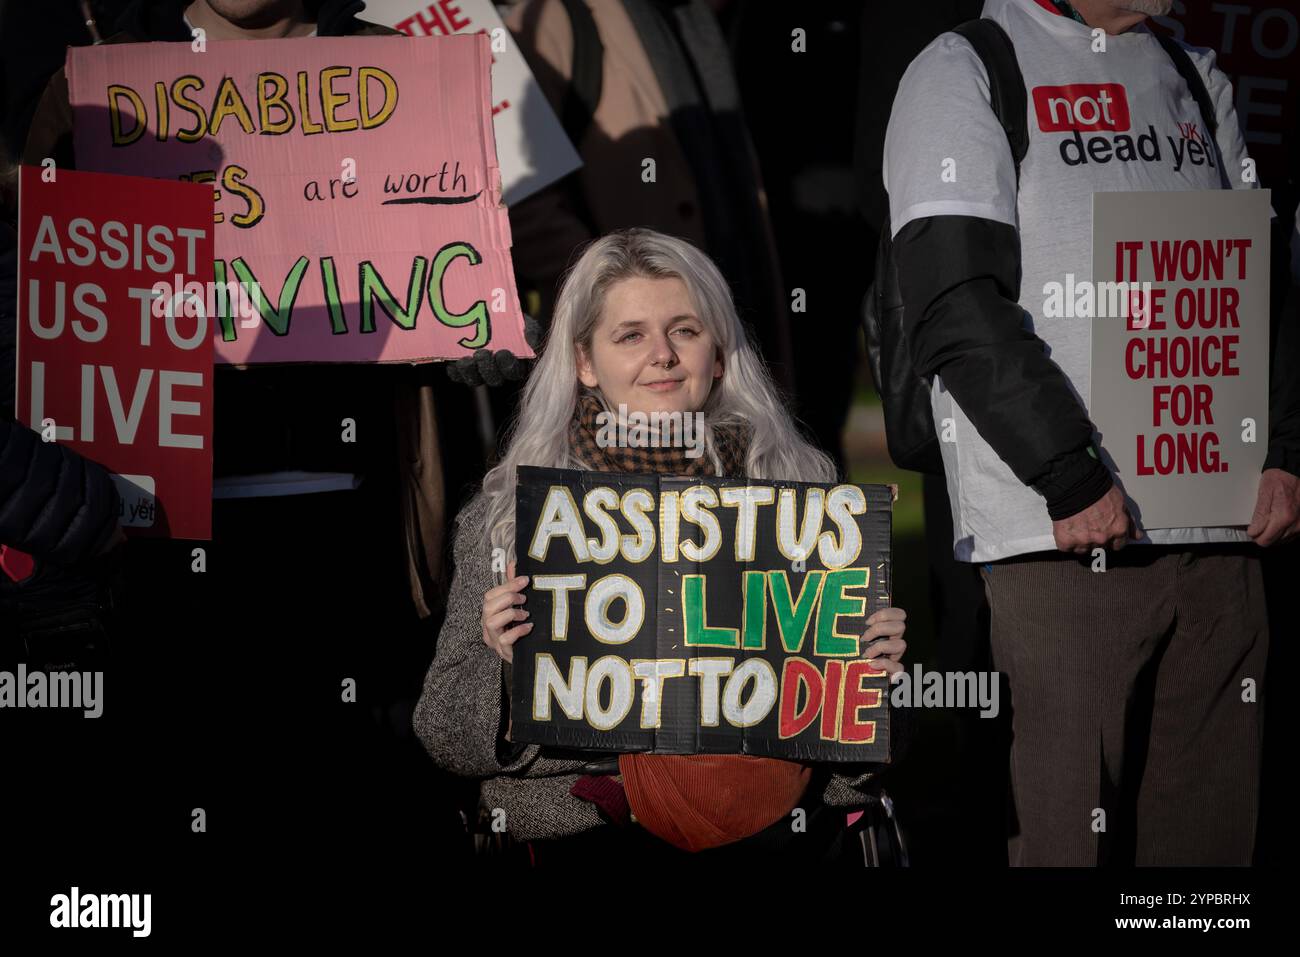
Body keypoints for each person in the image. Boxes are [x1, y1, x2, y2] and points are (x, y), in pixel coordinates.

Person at [884, 0, 1300, 865]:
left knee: (1208, 860)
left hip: (1220, 537)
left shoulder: (1194, 70)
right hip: (1065, 542)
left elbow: (1265, 279)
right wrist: (1069, 476)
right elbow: (955, 305)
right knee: (1065, 842)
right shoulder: (964, 67)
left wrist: (1284, 451)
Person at [413, 228, 909, 863]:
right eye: (630, 335)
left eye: (685, 330)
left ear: (721, 353)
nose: (663, 356)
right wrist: (506, 670)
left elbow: (869, 761)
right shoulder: (510, 516)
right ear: (585, 361)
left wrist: (872, 682)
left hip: (773, 836)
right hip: (584, 839)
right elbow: (444, 734)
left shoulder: (804, 501)